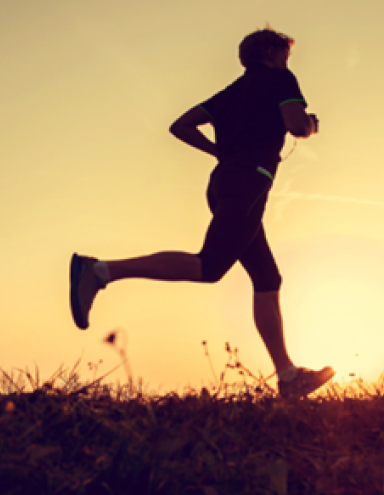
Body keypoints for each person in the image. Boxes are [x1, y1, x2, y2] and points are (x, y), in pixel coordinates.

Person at [70, 28, 334, 399]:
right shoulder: (279, 78)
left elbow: (180, 125)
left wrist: (219, 153)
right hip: (247, 184)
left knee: (267, 277)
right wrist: (311, 125)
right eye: (285, 55)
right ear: (273, 54)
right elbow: (295, 125)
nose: (287, 61)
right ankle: (98, 271)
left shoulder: (231, 92)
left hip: (224, 182)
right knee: (209, 267)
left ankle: (289, 378)